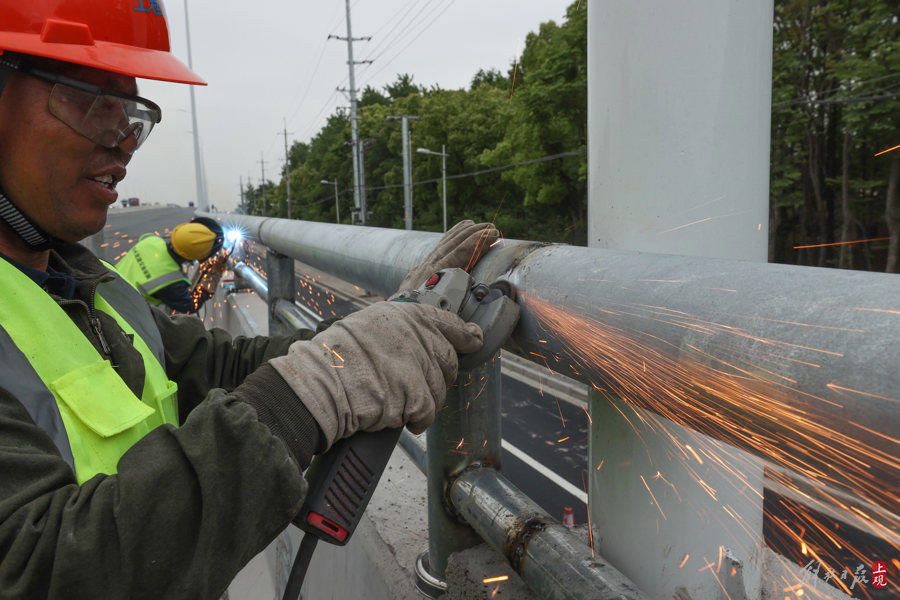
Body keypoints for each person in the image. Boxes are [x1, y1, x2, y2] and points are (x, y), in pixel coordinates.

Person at [0, 2, 499, 598]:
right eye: (91, 100)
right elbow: (44, 566)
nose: (126, 140)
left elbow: (222, 367)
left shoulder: (90, 286)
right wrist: (312, 393)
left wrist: (376, 331)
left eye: (134, 114)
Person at [116, 216, 226, 313]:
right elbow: (191, 305)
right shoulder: (171, 280)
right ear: (197, 257)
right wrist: (213, 276)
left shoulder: (151, 239)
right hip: (123, 313)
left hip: (107, 287)